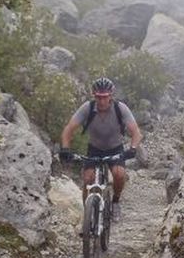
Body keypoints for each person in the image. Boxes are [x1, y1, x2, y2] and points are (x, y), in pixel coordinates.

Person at [59, 77, 142, 221]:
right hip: (94, 148)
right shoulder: (88, 108)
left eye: (105, 97)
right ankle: (88, 215)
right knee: (87, 179)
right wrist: (65, 148)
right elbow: (69, 129)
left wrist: (133, 149)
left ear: (111, 96)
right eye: (98, 97)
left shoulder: (120, 108)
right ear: (94, 95)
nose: (102, 101)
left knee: (119, 174)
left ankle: (115, 201)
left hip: (115, 148)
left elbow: (136, 132)